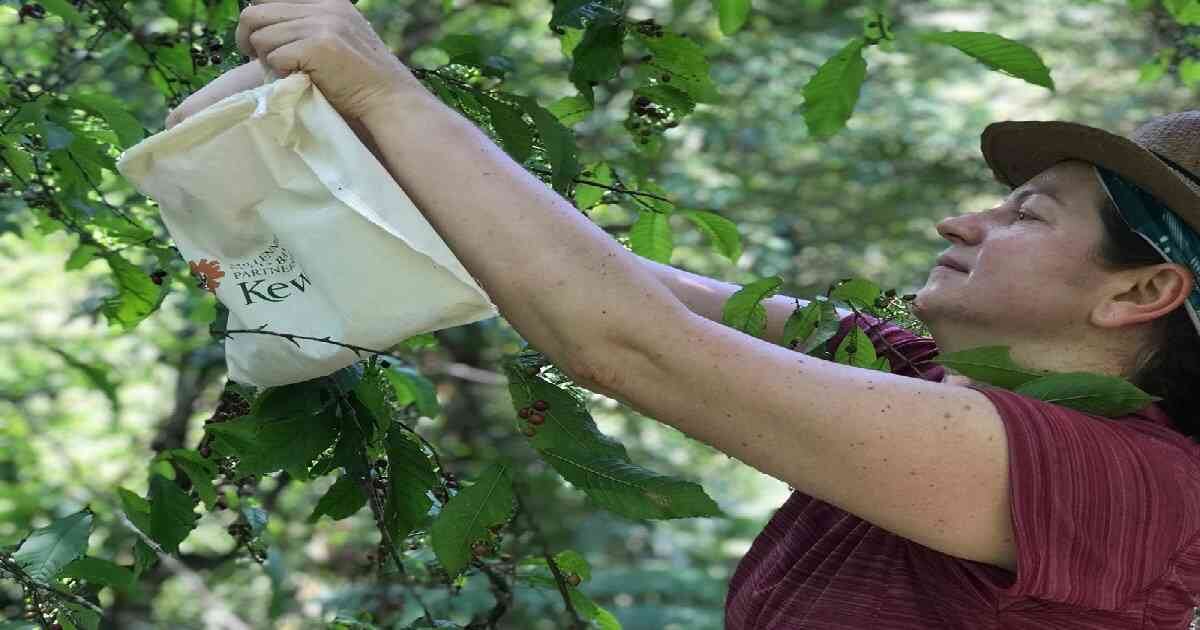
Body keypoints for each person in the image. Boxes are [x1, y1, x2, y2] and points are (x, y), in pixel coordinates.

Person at [165, 1, 1200, 627]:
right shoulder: (911, 374)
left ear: (1143, 290)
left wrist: (388, 93)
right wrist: (329, 128)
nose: (961, 220)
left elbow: (626, 342)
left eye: (1025, 214)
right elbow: (604, 278)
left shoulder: (1127, 488)